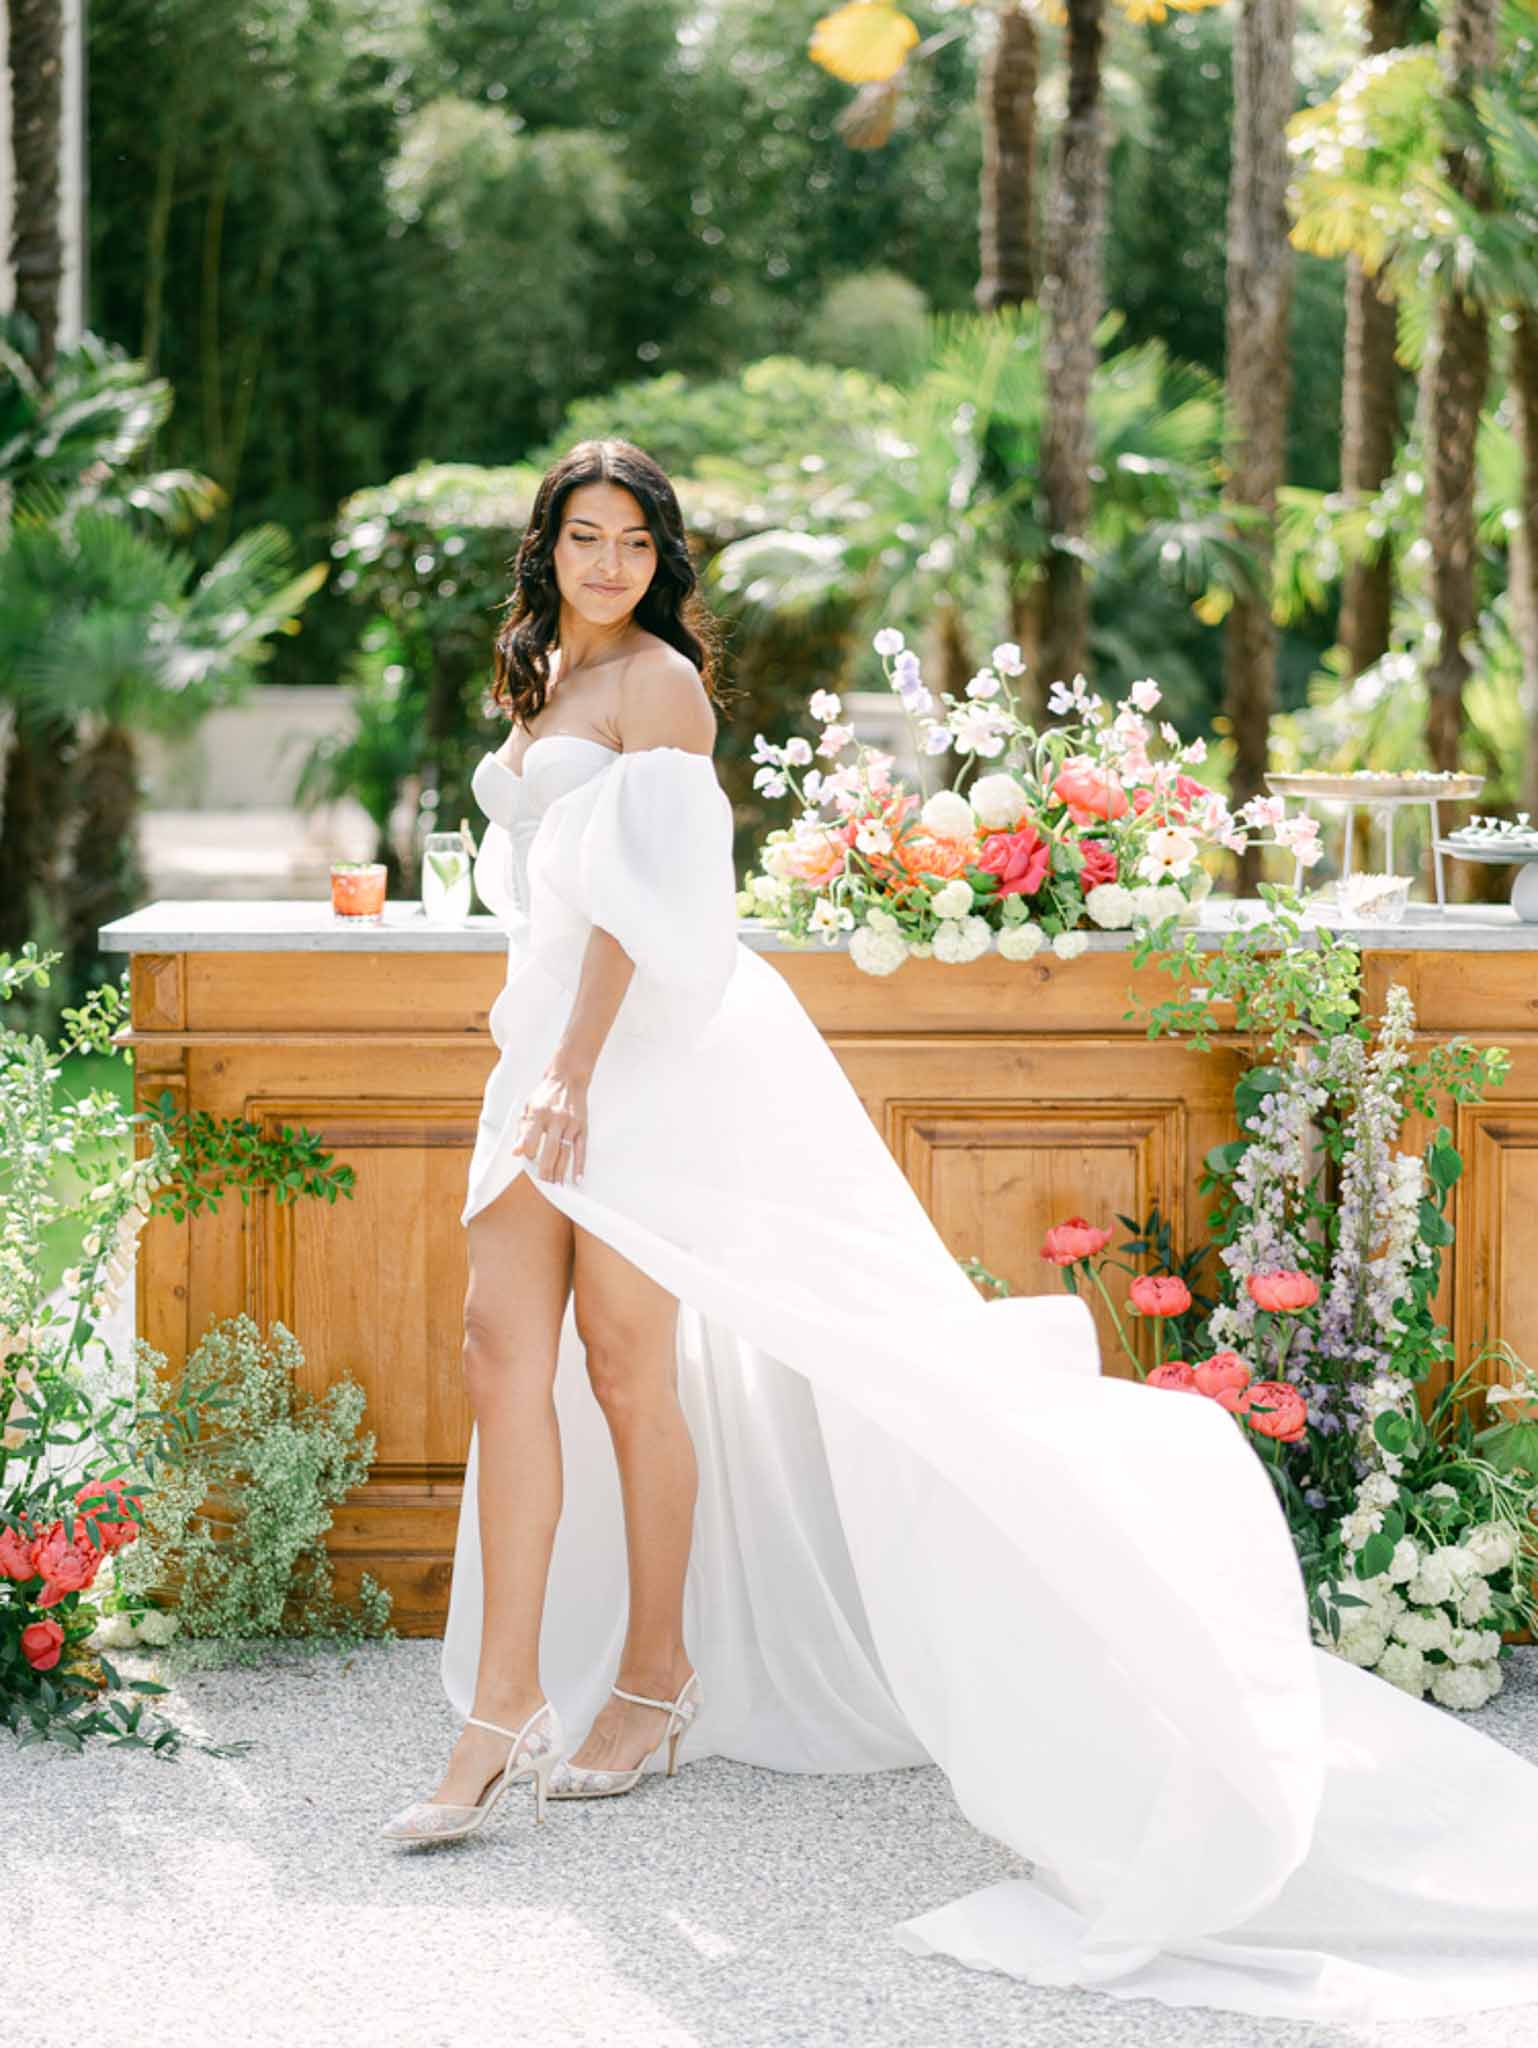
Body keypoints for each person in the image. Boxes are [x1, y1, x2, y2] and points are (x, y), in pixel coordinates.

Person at [380, 438, 1538, 2024]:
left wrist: (574, 1071)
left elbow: (659, 917)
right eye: (582, 538)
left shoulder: (660, 690)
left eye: (631, 542)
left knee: (629, 1367)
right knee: (497, 1352)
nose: (604, 564)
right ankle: (500, 1702)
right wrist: (526, 1042)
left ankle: (650, 1680)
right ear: (547, 551)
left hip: (636, 1062)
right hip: (541, 1052)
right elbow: (548, 889)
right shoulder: (535, 677)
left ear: (662, 562)